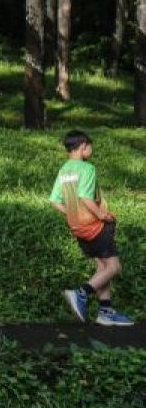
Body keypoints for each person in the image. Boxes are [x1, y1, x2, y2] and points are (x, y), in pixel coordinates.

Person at [51, 130, 133, 326]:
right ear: (82, 147)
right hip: (94, 226)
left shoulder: (64, 171)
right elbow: (85, 197)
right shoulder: (87, 168)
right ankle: (80, 293)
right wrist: (101, 215)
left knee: (102, 267)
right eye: (90, 146)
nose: (92, 149)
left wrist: (72, 214)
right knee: (114, 267)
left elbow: (54, 201)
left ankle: (105, 311)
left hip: (77, 227)